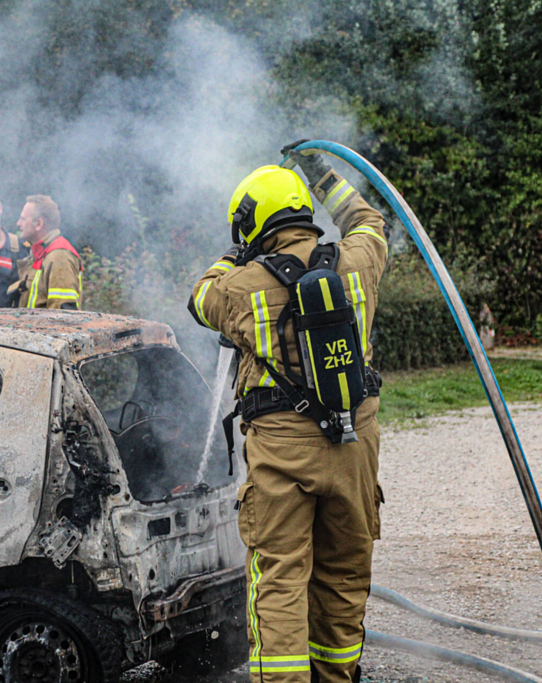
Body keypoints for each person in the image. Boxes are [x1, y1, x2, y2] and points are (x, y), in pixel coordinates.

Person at [187, 144, 388, 683]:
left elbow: (199, 297)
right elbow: (369, 219)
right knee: (344, 577)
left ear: (252, 223)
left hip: (281, 450)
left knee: (280, 579)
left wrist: (237, 253)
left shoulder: (240, 287)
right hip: (354, 446)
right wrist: (321, 175)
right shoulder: (359, 262)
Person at [11, 194, 83, 310]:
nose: (18, 223)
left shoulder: (59, 257)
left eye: (23, 219)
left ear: (39, 224)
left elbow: (63, 317)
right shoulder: (40, 253)